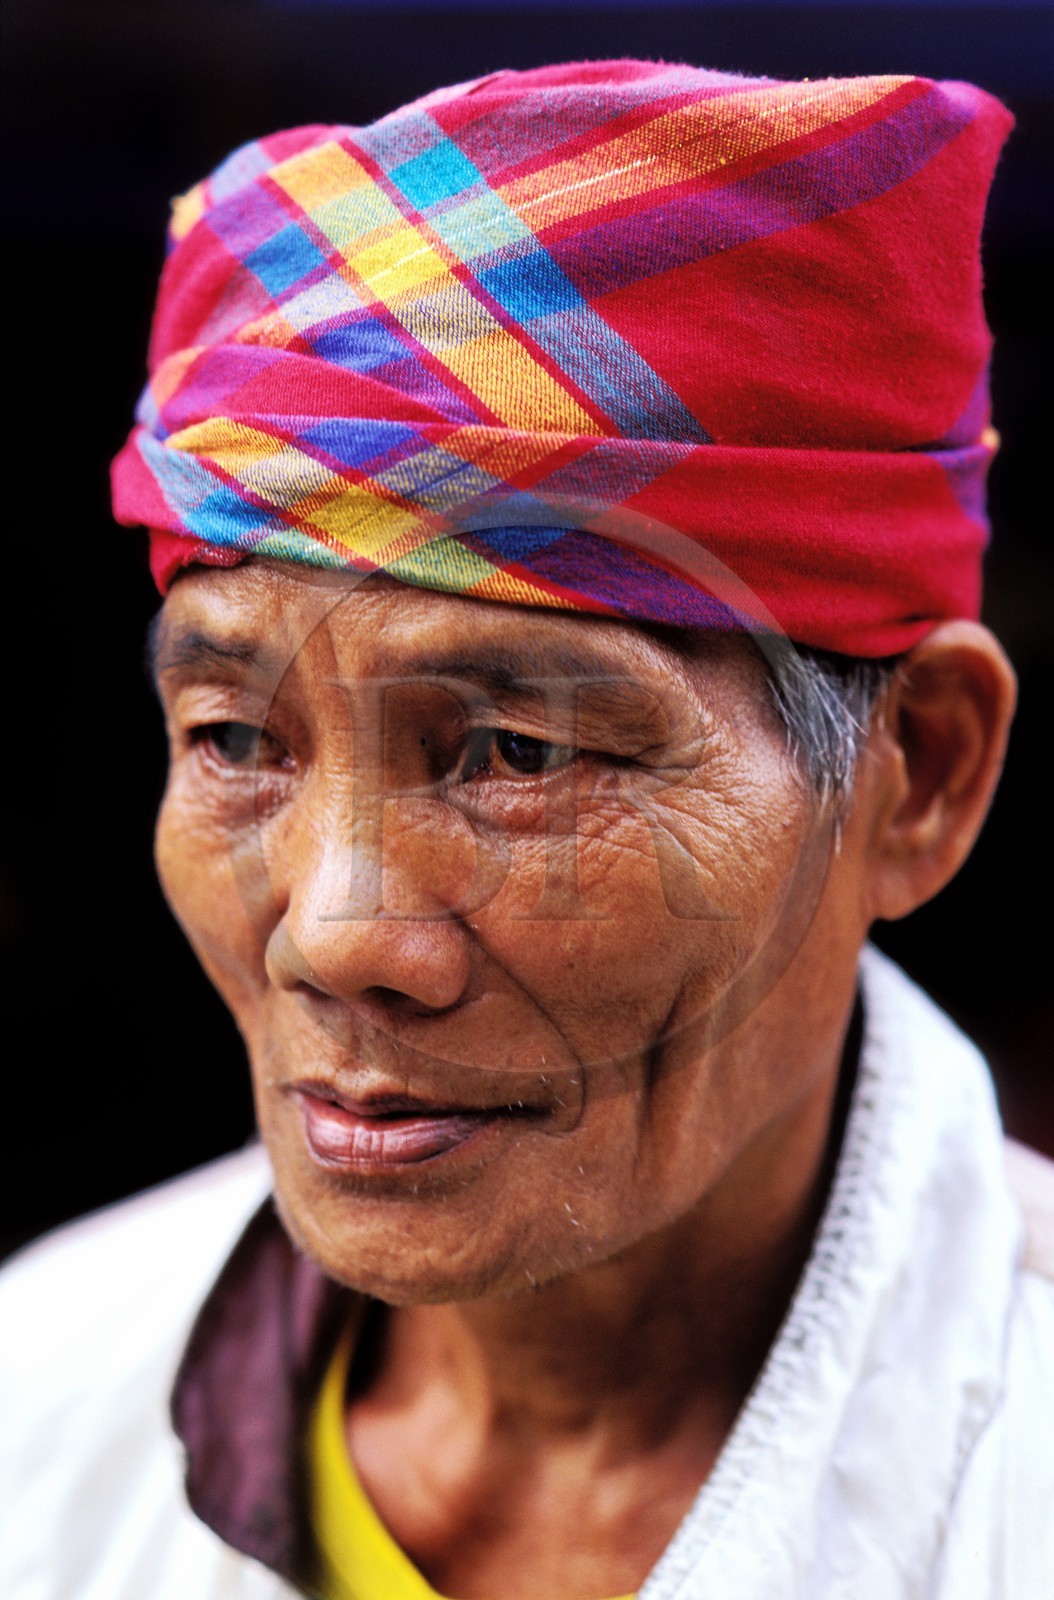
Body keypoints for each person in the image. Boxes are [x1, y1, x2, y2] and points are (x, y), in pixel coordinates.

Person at [2, 59, 1051, 1600]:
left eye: (514, 752)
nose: (340, 932)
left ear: (918, 777)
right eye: (235, 739)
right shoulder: (45, 1392)